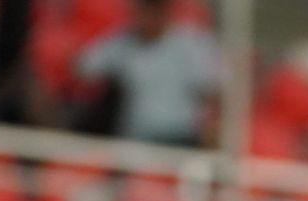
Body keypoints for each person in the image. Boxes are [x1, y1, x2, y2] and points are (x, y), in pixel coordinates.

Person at [73, 0, 220, 147]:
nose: (147, 16)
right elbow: (83, 68)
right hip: (136, 137)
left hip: (181, 138)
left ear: (164, 11)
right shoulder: (123, 41)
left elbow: (213, 90)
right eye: (143, 8)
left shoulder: (191, 42)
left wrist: (209, 128)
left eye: (153, 9)